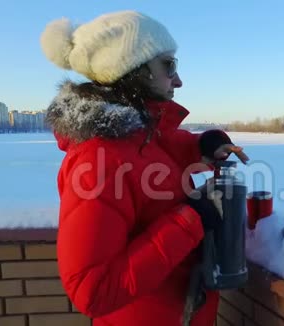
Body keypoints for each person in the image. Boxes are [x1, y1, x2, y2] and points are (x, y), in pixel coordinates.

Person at [40, 10, 249, 326]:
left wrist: (204, 144)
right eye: (169, 65)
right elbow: (92, 291)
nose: (178, 79)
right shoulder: (100, 158)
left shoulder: (138, 137)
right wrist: (190, 219)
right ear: (134, 69)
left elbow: (159, 147)